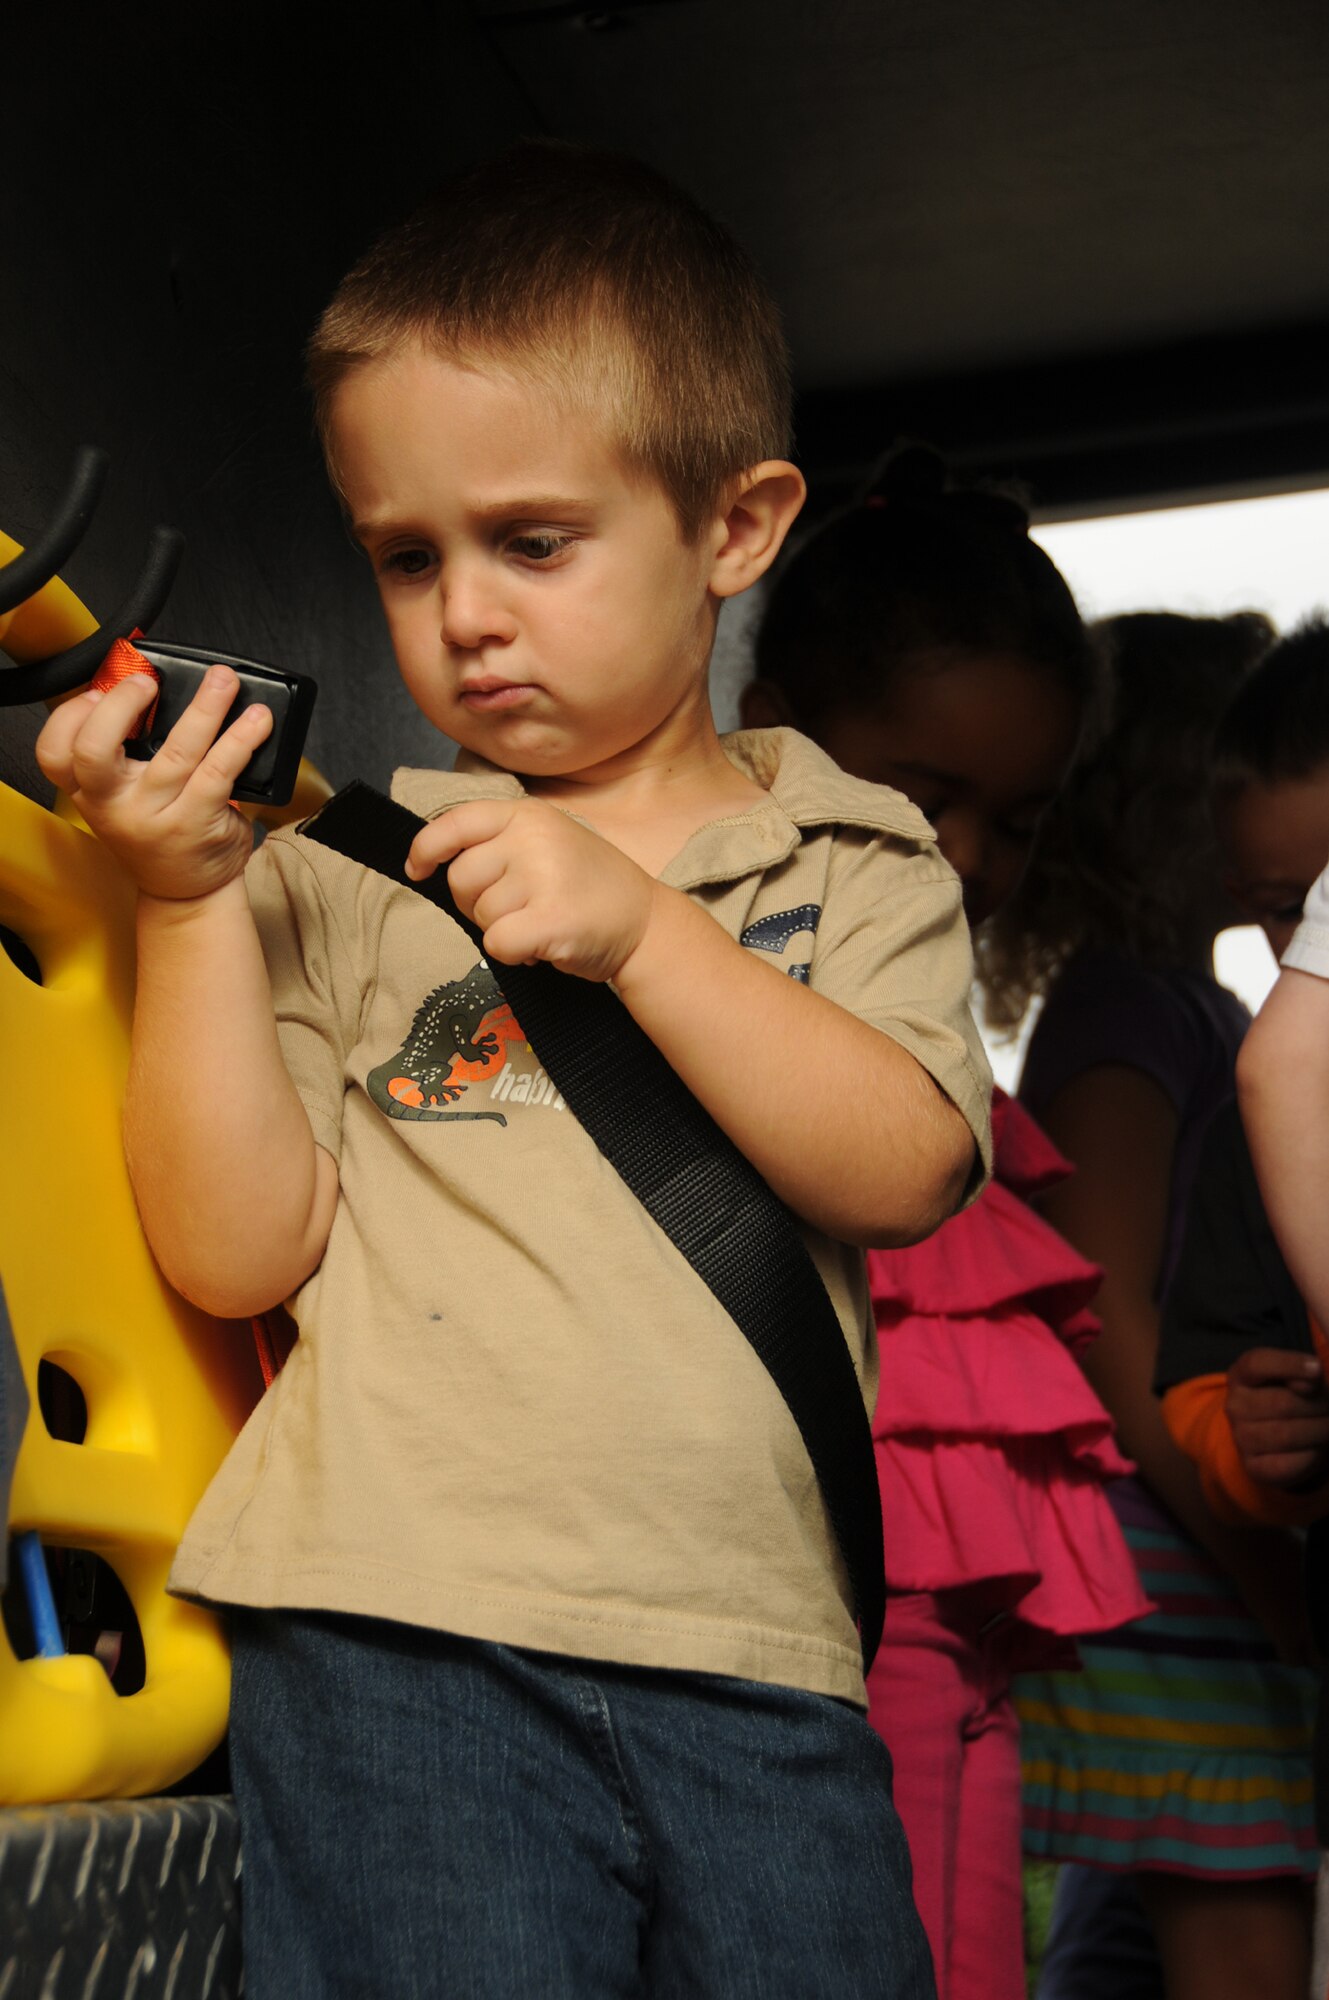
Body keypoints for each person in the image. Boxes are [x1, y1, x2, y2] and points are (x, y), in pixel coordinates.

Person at [33, 143, 994, 1999]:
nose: (463, 611)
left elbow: (904, 1172)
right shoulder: (333, 869)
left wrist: (646, 933)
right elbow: (236, 1254)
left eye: (530, 542)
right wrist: (187, 901)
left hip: (757, 1659)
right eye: (408, 554)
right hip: (395, 1643)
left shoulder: (844, 851)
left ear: (733, 527)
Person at [744, 446, 1150, 2000]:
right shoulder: (722, 989)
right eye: (922, 802)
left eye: (1020, 820)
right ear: (775, 727)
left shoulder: (937, 1062)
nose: (966, 863)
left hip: (963, 1624)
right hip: (826, 1596)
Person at [985, 610, 1320, 2000]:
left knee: (1136, 1925)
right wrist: (1268, 1576)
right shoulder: (1130, 1010)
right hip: (1168, 1563)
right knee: (1235, 1900)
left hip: (1183, 1546)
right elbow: (1100, 1311)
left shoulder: (1206, 1007)